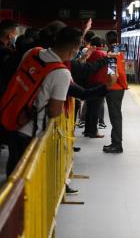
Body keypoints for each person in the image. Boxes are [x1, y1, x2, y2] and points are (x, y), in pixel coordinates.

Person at [0, 26, 83, 175]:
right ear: (73, 50)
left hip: (13, 117)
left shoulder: (33, 52)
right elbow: (54, 110)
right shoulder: (61, 73)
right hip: (32, 132)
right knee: (27, 177)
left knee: (13, 170)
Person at [102, 31, 128, 153]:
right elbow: (122, 71)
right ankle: (115, 142)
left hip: (113, 89)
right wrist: (124, 85)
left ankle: (117, 144)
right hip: (118, 89)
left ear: (107, 41)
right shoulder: (119, 51)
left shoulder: (112, 53)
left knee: (115, 117)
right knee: (116, 116)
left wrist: (123, 85)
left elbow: (115, 73)